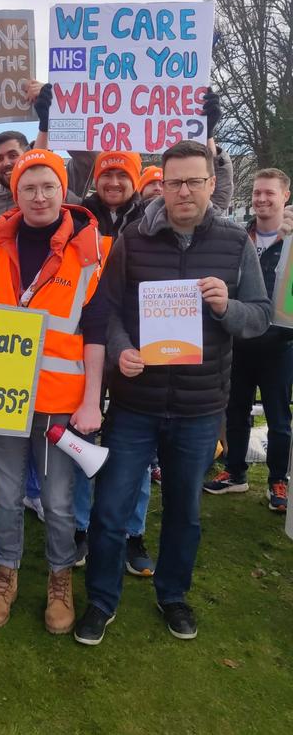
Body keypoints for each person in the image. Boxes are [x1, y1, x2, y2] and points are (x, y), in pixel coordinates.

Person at [75, 139, 271, 647]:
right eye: (174, 182)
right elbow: (107, 311)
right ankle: (101, 599)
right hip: (135, 405)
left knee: (184, 512)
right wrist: (121, 349)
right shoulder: (134, 240)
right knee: (110, 510)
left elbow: (260, 316)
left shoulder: (236, 243)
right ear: (161, 186)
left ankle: (173, 594)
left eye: (194, 181)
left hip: (200, 409)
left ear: (211, 184)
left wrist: (228, 307)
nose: (184, 191)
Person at [0, 149, 111, 635]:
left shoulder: (90, 248)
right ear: (15, 193)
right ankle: (5, 575)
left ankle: (59, 579)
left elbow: (96, 329)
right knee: (7, 496)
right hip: (3, 395)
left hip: (60, 400)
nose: (39, 196)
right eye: (29, 188)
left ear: (63, 190)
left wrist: (92, 399)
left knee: (56, 502)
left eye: (48, 186)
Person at [204, 168, 293, 511]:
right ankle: (235, 472)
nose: (261, 199)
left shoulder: (291, 241)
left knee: (278, 418)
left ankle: (278, 481)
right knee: (236, 411)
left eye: (269, 193)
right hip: (239, 343)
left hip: (279, 345)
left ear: (285, 196)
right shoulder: (240, 238)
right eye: (257, 193)